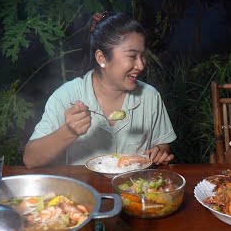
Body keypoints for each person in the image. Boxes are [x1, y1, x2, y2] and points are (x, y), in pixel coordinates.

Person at [23, 12, 177, 168]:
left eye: (142, 56)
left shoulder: (150, 96)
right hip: (84, 190)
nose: (141, 65)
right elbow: (30, 159)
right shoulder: (66, 96)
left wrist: (160, 151)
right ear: (102, 58)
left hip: (134, 189)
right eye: (132, 56)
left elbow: (163, 144)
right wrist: (69, 131)